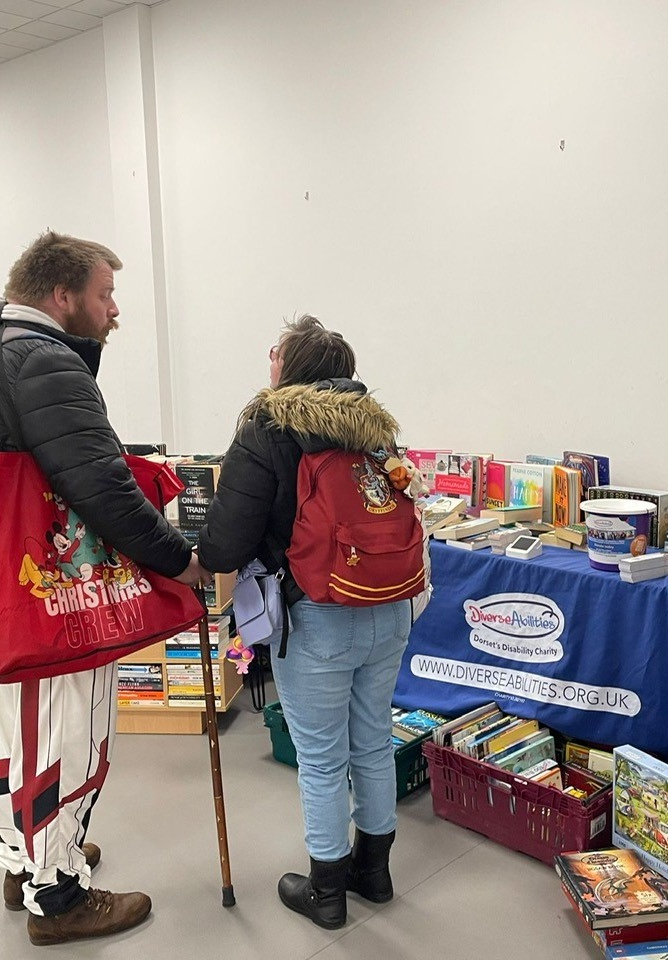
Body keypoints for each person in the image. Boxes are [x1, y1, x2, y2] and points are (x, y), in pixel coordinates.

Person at [0, 232, 205, 946]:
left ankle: (24, 859)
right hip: (52, 589)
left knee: (18, 732)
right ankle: (56, 897)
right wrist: (177, 559)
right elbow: (101, 487)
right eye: (104, 294)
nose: (114, 309)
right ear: (62, 297)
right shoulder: (45, 360)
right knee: (66, 737)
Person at [197, 315, 412, 930]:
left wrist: (199, 558)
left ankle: (326, 893)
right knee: (372, 740)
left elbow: (225, 543)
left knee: (320, 759)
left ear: (289, 368)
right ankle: (374, 872)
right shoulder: (376, 428)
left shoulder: (267, 428)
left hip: (315, 613)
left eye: (275, 354)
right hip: (388, 604)